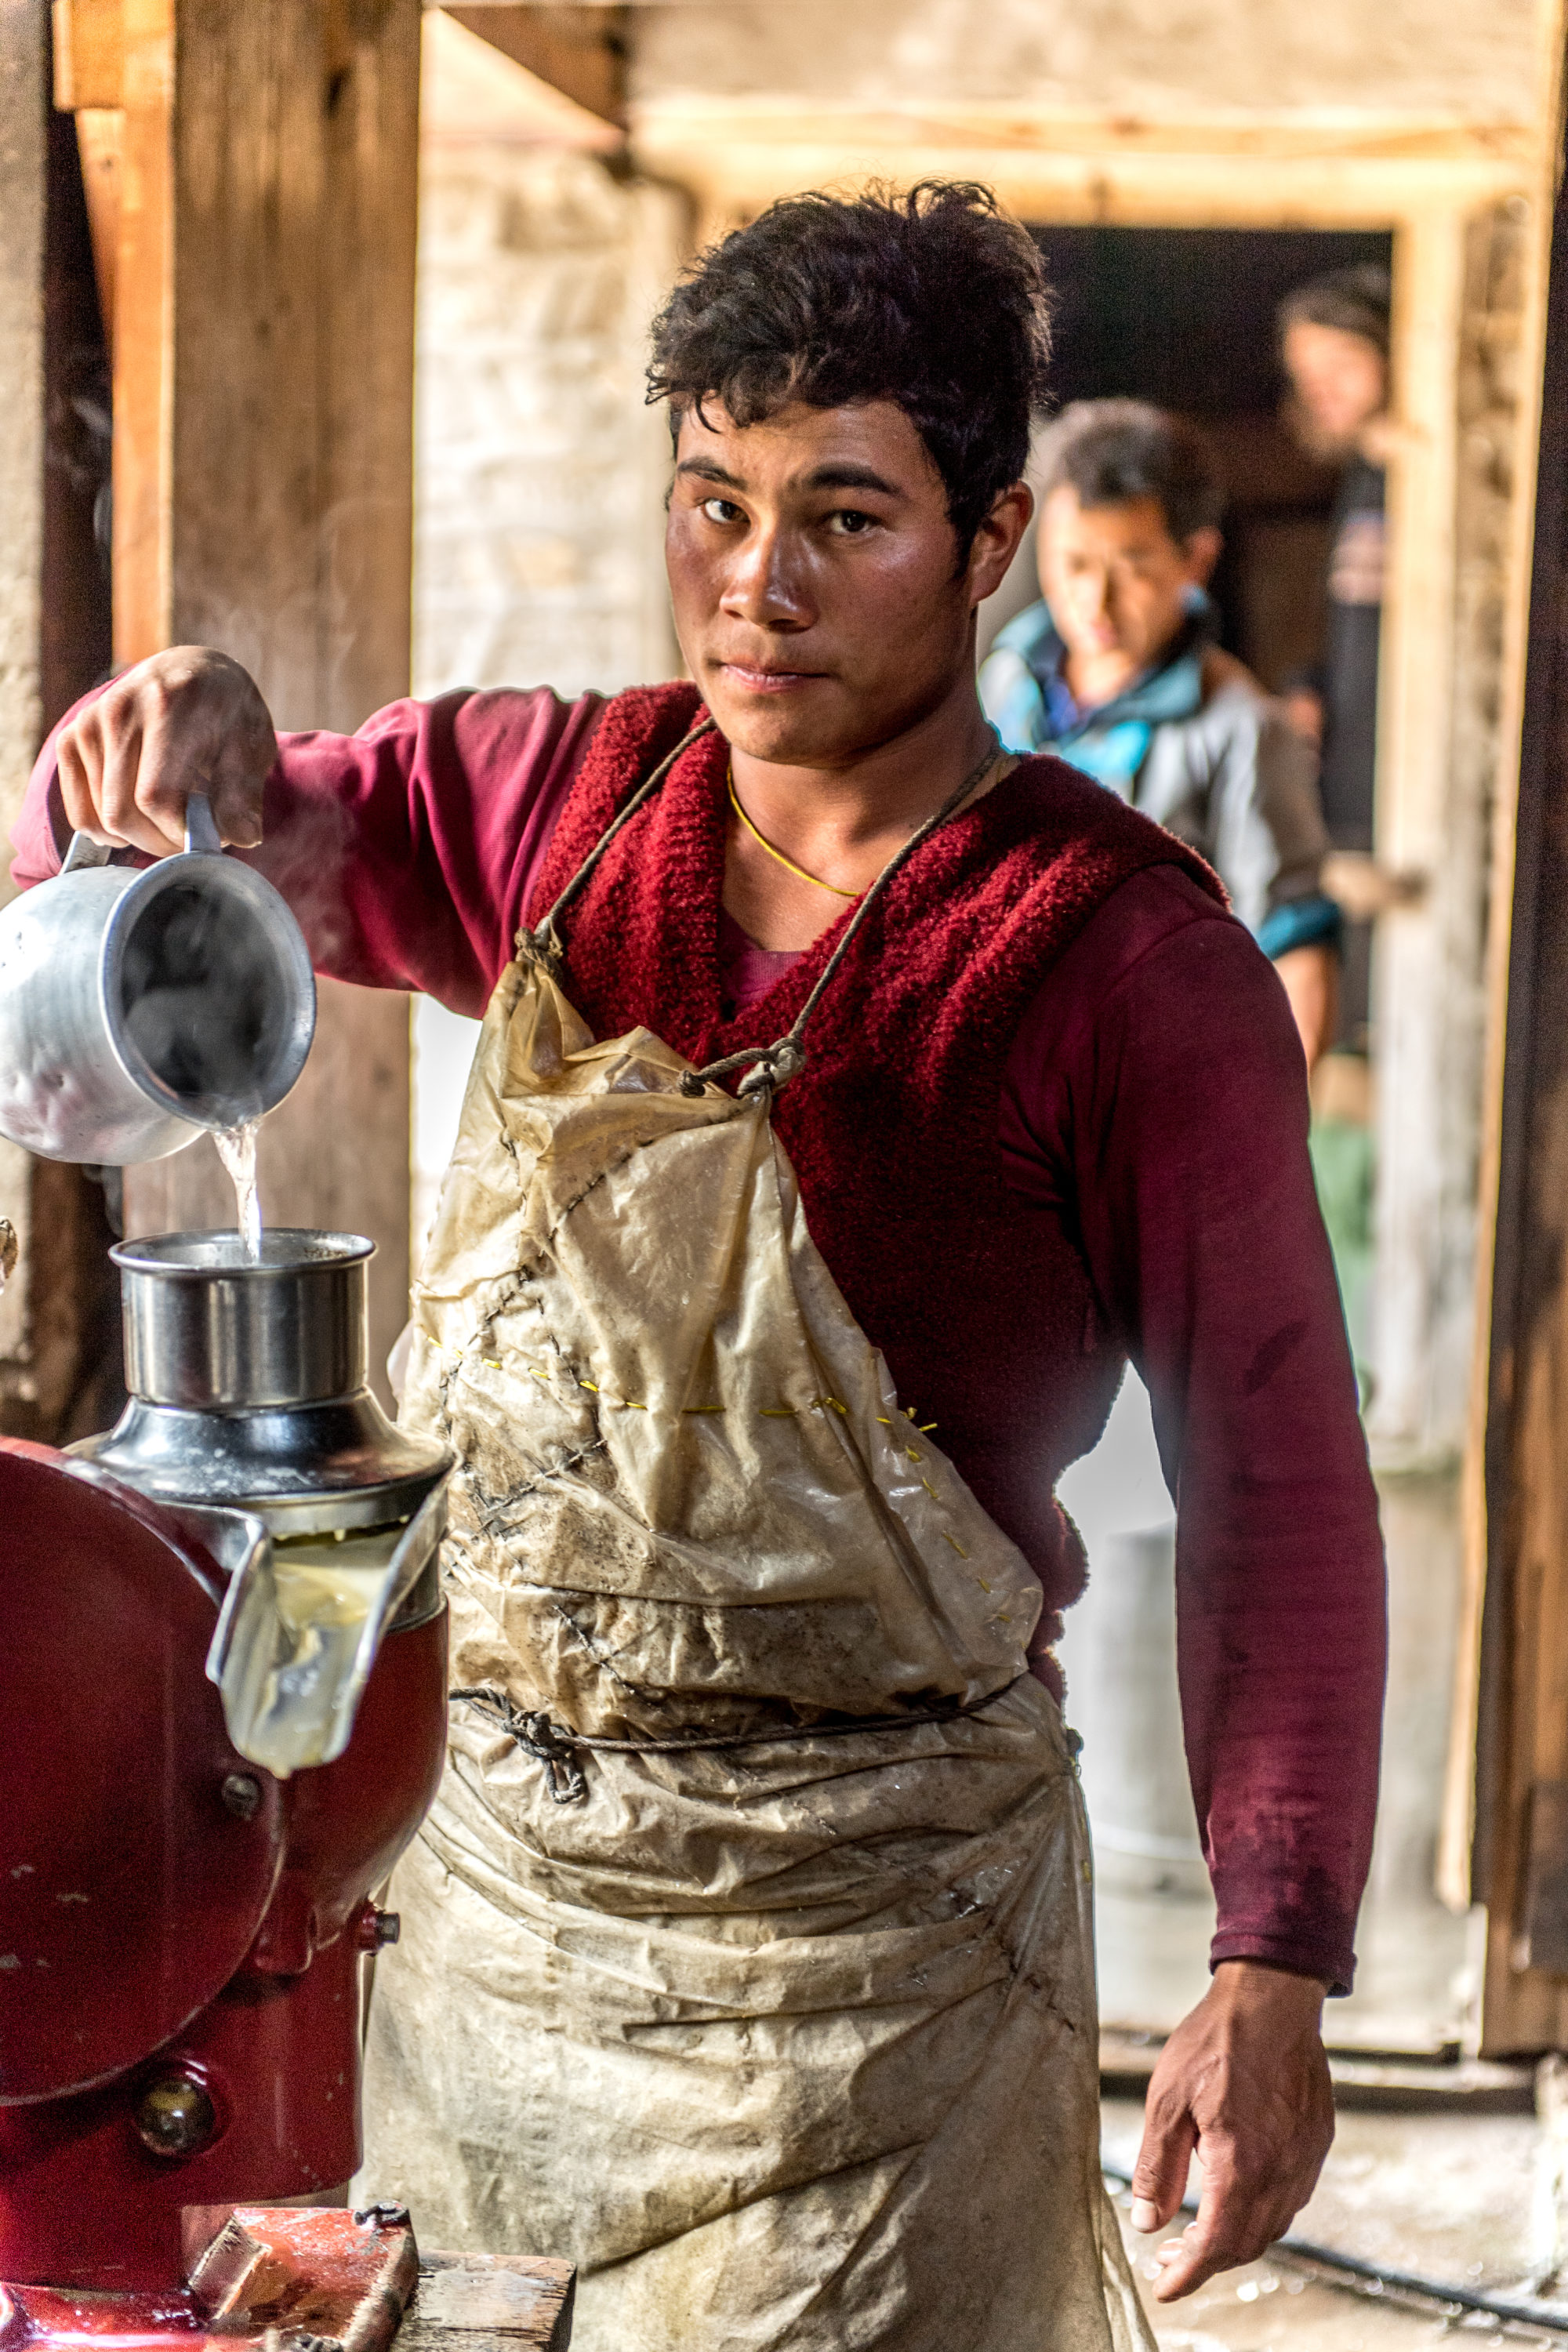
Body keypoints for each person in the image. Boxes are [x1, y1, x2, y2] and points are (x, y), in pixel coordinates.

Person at [15, 183, 1385, 2352]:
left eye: (846, 516)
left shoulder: (1119, 964)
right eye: (714, 502)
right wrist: (163, 758)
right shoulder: (563, 800)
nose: (757, 586)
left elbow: (1282, 1485)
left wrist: (1274, 1958)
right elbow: (211, 861)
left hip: (881, 1999)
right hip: (500, 1965)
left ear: (993, 538)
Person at [979, 399, 1341, 1069]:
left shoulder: (1240, 730)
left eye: (1134, 568)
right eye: (1073, 563)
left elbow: (1293, 952)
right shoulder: (1005, 678)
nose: (1094, 601)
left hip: (1145, 1083)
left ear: (1195, 561)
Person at [1277, 263, 1394, 1051]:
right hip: (1351, 775)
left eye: (1339, 367)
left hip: (1409, 782)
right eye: (1304, 376)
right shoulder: (1361, 478)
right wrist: (1307, 687)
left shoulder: (1431, 477)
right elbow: (1356, 628)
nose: (1319, 391)